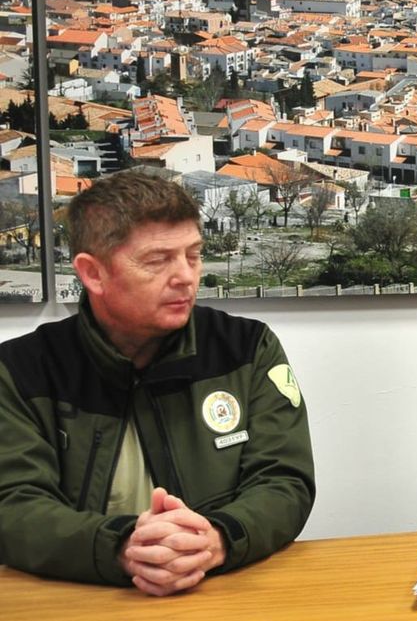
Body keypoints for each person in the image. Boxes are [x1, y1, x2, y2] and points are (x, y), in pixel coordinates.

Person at [0, 171, 314, 594]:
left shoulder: (246, 348)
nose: (185, 276)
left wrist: (217, 539)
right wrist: (124, 548)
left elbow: (285, 482)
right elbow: (15, 507)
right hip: (80, 603)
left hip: (221, 594)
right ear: (93, 274)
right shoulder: (20, 371)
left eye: (193, 255)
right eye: (157, 260)